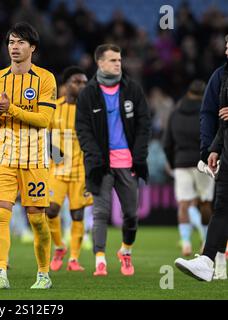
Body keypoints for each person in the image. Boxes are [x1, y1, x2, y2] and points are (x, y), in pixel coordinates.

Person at [0, 22, 56, 290]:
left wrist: (10, 109)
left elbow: (44, 120)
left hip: (35, 158)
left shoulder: (45, 79)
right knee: (0, 215)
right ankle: (1, 274)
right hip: (4, 157)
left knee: (37, 219)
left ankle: (43, 274)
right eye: (11, 42)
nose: (15, 47)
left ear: (32, 48)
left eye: (21, 42)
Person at [75, 43, 151, 277]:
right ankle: (100, 260)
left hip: (128, 163)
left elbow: (144, 124)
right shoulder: (88, 93)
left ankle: (125, 252)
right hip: (100, 165)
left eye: (119, 60)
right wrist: (95, 158)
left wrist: (138, 157)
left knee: (131, 214)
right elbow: (83, 129)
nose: (118, 63)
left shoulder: (133, 89)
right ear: (100, 63)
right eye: (113, 60)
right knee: (100, 213)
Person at [175, 36, 228, 281]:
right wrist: (212, 149)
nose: (227, 50)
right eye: (227, 46)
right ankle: (207, 261)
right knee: (221, 208)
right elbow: (218, 118)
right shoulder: (221, 76)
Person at [47, 66, 93, 272]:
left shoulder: (91, 110)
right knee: (50, 210)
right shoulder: (54, 108)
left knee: (77, 215)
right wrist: (56, 155)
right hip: (57, 169)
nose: (82, 85)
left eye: (84, 82)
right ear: (66, 85)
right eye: (77, 82)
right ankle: (59, 247)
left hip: (80, 172)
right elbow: (43, 135)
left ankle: (74, 259)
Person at [163, 80, 213, 256]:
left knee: (183, 204)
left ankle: (185, 242)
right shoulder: (207, 112)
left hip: (181, 162)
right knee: (206, 201)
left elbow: (167, 142)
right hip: (203, 162)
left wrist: (173, 161)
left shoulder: (175, 113)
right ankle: (206, 239)